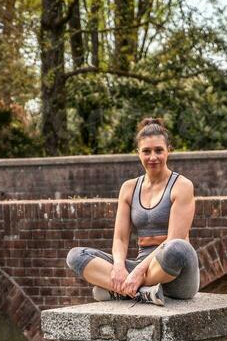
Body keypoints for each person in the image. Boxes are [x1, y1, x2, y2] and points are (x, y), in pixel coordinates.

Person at [65, 117, 200, 307]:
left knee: (176, 247)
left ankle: (124, 290)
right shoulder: (128, 188)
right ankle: (143, 292)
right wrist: (119, 268)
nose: (153, 157)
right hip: (140, 267)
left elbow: (172, 239)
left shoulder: (182, 186)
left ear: (169, 150)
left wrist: (137, 274)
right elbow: (120, 238)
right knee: (76, 256)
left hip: (175, 274)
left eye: (158, 150)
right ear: (138, 153)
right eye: (146, 151)